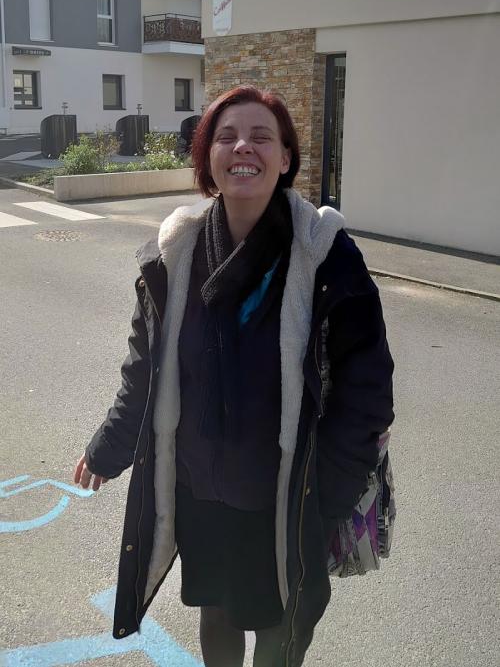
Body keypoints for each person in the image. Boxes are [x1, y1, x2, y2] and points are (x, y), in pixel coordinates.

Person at [74, 84, 394, 667]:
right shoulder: (175, 255)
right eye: (226, 136)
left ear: (286, 158)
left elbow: (366, 393)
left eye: (261, 136)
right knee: (216, 615)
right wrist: (108, 447)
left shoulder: (327, 256)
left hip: (288, 498)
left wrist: (330, 496)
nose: (243, 146)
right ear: (208, 158)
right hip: (203, 492)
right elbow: (145, 370)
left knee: (282, 629)